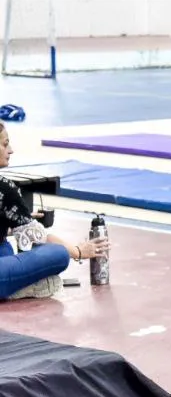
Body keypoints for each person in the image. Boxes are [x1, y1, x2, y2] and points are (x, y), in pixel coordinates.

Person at [1, 123, 109, 300]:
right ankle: (18, 288)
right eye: (5, 144)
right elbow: (40, 239)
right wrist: (79, 251)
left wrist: (15, 220)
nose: (11, 150)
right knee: (58, 253)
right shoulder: (4, 188)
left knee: (4, 247)